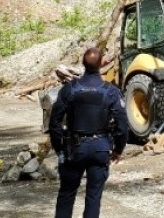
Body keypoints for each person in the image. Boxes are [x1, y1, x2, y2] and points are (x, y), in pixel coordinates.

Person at [49, 47, 128, 218]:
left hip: (73, 150)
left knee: (66, 194)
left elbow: (54, 121)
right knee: (93, 197)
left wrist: (59, 148)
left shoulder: (69, 89)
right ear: (101, 64)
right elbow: (122, 123)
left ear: (83, 64)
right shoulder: (111, 91)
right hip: (99, 149)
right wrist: (118, 150)